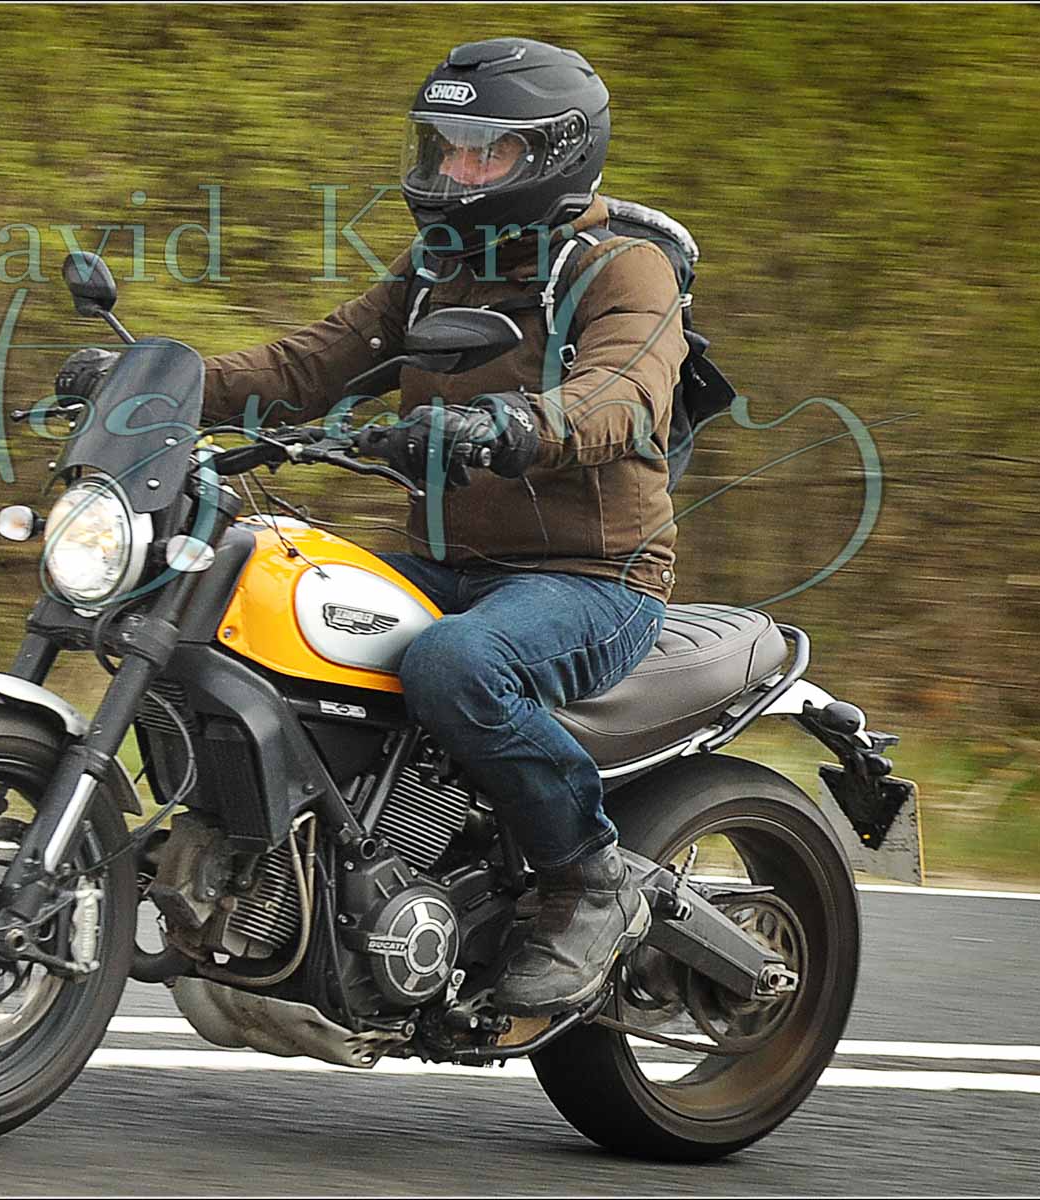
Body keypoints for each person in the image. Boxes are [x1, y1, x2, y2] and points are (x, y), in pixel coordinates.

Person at [56, 37, 687, 1016]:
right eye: (447, 147)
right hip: (451, 564)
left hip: (595, 580)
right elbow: (311, 365)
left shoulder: (622, 270)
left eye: (487, 151)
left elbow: (624, 392)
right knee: (233, 586)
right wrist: (156, 383)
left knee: (455, 664)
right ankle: (273, 855)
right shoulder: (436, 269)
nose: (458, 170)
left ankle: (590, 876)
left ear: (557, 154)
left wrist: (518, 423)